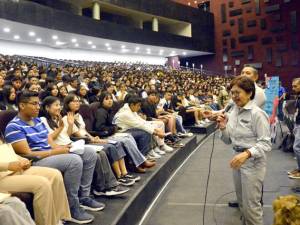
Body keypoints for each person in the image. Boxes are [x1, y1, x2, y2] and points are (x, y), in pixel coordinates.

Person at [5, 91, 102, 224]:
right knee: (74, 161)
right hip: (37, 160)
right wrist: (55, 152)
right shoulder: (14, 126)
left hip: (49, 154)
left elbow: (49, 142)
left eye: (38, 104)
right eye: (34, 104)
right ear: (22, 105)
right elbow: (27, 153)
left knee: (89, 153)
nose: (38, 107)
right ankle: (73, 207)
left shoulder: (37, 120)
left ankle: (84, 197)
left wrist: (62, 148)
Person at [216, 76, 271, 225]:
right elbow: (228, 140)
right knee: (242, 204)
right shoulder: (233, 111)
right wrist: (222, 127)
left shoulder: (257, 114)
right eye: (232, 93)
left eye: (238, 92)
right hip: (237, 160)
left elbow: (266, 143)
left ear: (249, 93)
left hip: (253, 163)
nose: (234, 96)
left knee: (251, 207)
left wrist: (247, 154)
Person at [0, 140, 71, 225]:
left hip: (16, 169)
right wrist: (8, 165)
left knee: (55, 174)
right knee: (42, 184)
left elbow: (7, 152)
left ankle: (58, 219)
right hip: (2, 177)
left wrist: (23, 160)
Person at [288, 78, 300, 179]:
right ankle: (298, 168)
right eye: (293, 86)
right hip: (298, 123)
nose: (293, 88)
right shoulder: (298, 96)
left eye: (295, 86)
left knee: (296, 147)